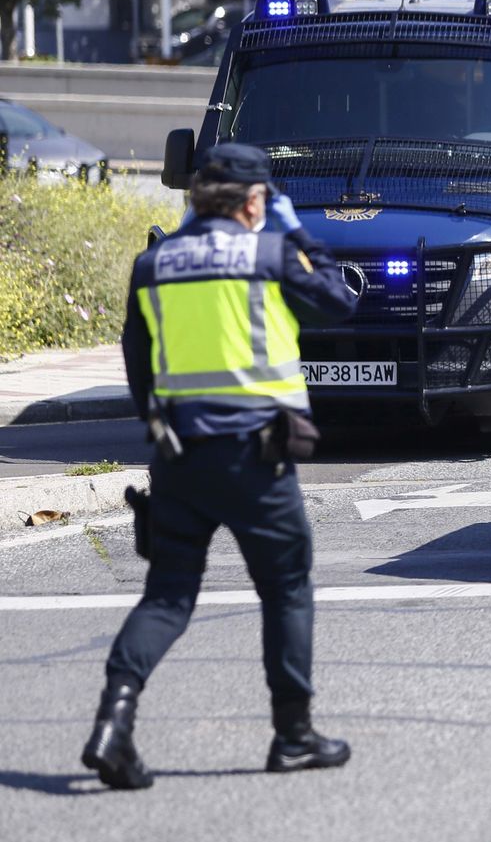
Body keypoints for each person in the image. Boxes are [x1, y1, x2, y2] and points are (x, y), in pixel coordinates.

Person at [82, 142, 357, 790]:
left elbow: (139, 372)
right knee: (286, 588)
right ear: (256, 201)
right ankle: (293, 736)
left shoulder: (153, 263)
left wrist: (163, 432)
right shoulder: (272, 253)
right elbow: (340, 301)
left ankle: (111, 723)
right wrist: (300, 233)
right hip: (257, 460)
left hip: (179, 459)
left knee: (168, 596)